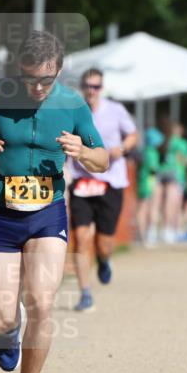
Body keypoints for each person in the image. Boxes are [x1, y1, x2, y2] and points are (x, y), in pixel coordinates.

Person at [0, 30, 108, 373]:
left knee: (42, 302)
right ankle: (8, 332)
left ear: (58, 71)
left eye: (46, 79)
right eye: (30, 79)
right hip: (2, 214)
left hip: (48, 213)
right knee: (2, 314)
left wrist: (83, 152)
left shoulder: (73, 104)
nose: (38, 87)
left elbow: (103, 159)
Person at [67, 68, 138, 313]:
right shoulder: (73, 110)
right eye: (87, 85)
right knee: (81, 237)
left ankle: (104, 260)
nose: (91, 91)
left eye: (96, 86)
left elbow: (133, 135)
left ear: (101, 88)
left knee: (104, 243)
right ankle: (85, 293)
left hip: (111, 182)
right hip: (82, 182)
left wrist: (122, 148)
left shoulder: (115, 110)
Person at [158, 121, 187, 244]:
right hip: (176, 175)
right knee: (173, 204)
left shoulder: (165, 141)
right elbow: (186, 160)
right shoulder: (181, 143)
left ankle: (169, 228)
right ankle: (170, 229)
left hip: (163, 172)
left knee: (164, 203)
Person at [135, 127, 164, 246]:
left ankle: (144, 235)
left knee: (144, 208)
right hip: (150, 182)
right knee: (149, 208)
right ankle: (147, 234)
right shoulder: (152, 152)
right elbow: (153, 170)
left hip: (143, 182)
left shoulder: (144, 151)